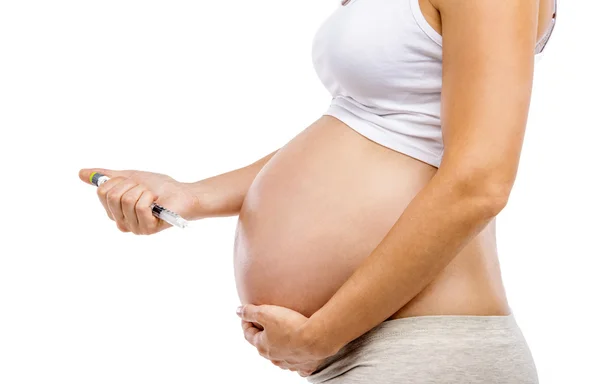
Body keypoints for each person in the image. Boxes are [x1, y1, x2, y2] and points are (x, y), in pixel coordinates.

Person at [79, 0, 557, 382]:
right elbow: (367, 128)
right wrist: (193, 195)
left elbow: (480, 183)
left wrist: (322, 335)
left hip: (427, 348)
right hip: (363, 350)